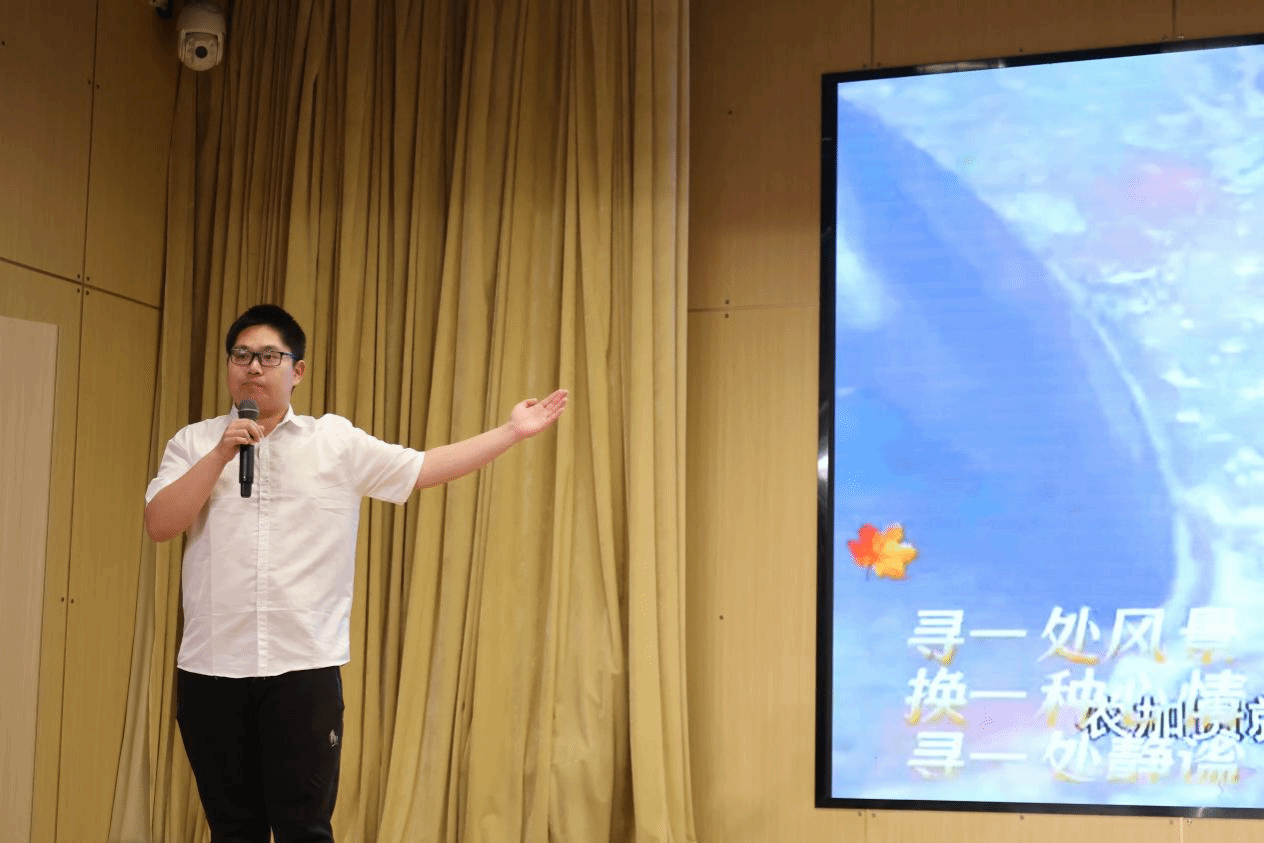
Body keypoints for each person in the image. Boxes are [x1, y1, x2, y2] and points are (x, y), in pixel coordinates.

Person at [144, 304, 567, 843]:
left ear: (297, 370)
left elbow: (424, 469)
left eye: (269, 356)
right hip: (212, 669)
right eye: (241, 355)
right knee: (233, 830)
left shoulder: (334, 443)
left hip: (303, 668)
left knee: (305, 830)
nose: (252, 367)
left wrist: (510, 432)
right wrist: (220, 455)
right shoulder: (193, 443)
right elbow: (160, 524)